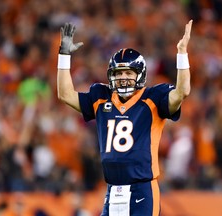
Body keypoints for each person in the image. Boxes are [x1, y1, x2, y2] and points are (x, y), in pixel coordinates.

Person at [57, 20, 193, 216]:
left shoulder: (152, 99)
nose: (123, 78)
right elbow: (65, 94)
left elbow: (182, 92)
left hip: (142, 189)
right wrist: (64, 55)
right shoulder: (101, 97)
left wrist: (182, 54)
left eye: (129, 73)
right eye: (118, 73)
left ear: (140, 75)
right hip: (112, 189)